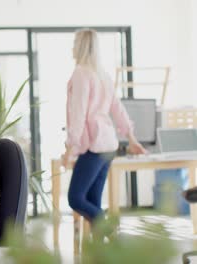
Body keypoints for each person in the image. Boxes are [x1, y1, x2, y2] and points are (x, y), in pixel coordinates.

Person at [62, 28, 147, 227]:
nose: (72, 48)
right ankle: (98, 255)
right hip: (109, 147)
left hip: (94, 147)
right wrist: (132, 139)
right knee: (93, 202)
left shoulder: (81, 74)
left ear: (81, 46)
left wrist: (68, 149)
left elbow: (78, 115)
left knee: (75, 198)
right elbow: (118, 110)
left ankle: (108, 228)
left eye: (75, 43)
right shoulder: (103, 75)